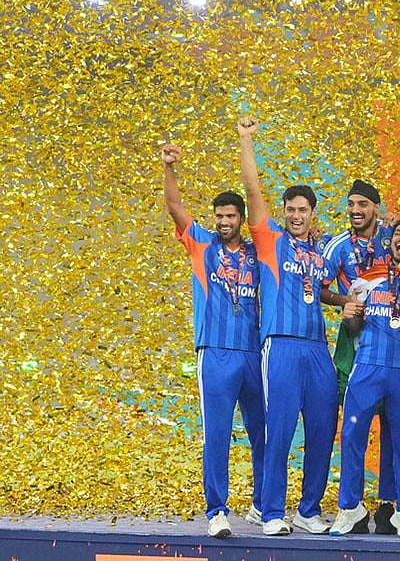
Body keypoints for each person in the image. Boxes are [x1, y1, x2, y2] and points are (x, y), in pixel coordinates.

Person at [237, 117, 338, 536]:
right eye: (291, 209)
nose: (296, 215)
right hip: (279, 345)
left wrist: (347, 302)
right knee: (278, 431)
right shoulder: (270, 240)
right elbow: (252, 191)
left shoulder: (321, 250)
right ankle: (272, 511)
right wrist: (246, 141)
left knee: (322, 429)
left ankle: (308, 510)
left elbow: (323, 291)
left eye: (303, 210)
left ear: (313, 214)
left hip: (317, 347)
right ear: (283, 213)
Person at [162, 144, 265, 539]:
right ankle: (217, 510)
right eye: (219, 216)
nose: (224, 221)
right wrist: (169, 168)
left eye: (230, 216)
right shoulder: (202, 244)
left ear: (241, 219)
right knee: (218, 433)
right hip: (216, 353)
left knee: (263, 431)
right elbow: (175, 207)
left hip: (254, 352)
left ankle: (261, 504)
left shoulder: (258, 252)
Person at [330, 218, 400, 538]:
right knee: (352, 435)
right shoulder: (367, 281)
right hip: (368, 366)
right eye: (397, 233)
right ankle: (350, 508)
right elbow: (354, 330)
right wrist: (348, 319)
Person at [321, 179, 400, 534]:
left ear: (376, 207)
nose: (355, 210)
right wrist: (345, 303)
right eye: (351, 204)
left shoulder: (393, 236)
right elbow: (320, 287)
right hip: (356, 343)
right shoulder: (337, 245)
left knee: (394, 429)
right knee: (353, 428)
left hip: (396, 341)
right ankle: (351, 505)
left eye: (363, 205)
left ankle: (390, 505)